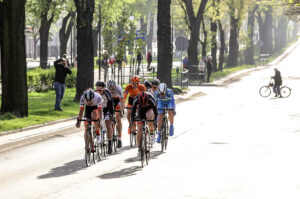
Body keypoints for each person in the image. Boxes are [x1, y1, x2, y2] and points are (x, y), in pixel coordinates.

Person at [131, 92, 158, 159]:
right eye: (142, 104)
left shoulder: (151, 100)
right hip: (140, 110)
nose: (144, 105)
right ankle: (139, 150)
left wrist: (155, 122)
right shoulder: (136, 99)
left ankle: (151, 134)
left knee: (149, 117)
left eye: (145, 104)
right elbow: (133, 112)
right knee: (139, 129)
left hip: (150, 108)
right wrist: (133, 121)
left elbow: (156, 112)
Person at [95, 81, 115, 153]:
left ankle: (110, 143)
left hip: (106, 109)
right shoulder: (94, 94)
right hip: (98, 109)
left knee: (108, 124)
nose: (98, 92)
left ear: (104, 89)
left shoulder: (107, 94)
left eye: (100, 90)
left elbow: (111, 104)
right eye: (97, 90)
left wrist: (112, 115)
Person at [107, 79, 125, 148]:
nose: (111, 90)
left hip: (117, 100)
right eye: (110, 89)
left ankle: (119, 138)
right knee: (108, 117)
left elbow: (122, 101)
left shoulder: (118, 88)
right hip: (110, 101)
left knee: (118, 117)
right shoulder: (106, 89)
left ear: (115, 86)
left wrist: (121, 110)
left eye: (113, 89)